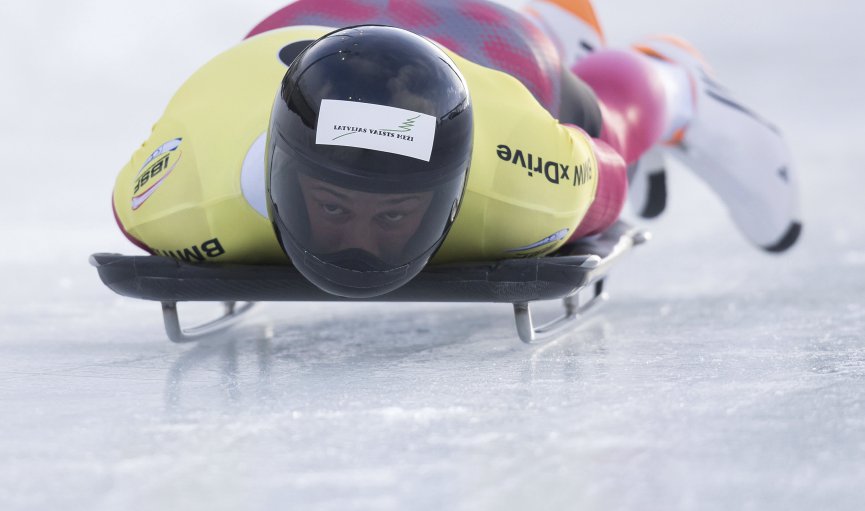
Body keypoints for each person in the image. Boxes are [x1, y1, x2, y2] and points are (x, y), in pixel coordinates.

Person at [112, 0, 800, 298]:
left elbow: (605, 170)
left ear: (454, 189)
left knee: (604, 116)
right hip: (316, 25)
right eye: (331, 205)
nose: (359, 246)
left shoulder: (524, 177)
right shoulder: (184, 191)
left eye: (392, 215)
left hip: (491, 40)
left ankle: (676, 79)